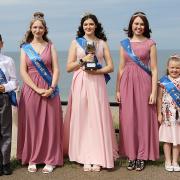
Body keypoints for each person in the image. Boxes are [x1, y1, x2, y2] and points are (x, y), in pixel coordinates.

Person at [63, 13, 119, 172]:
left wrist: (97, 72)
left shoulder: (102, 43)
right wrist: (83, 60)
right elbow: (68, 67)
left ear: (96, 26)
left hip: (97, 82)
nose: (88, 27)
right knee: (82, 118)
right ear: (82, 26)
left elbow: (111, 67)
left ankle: (98, 156)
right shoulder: (75, 43)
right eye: (85, 24)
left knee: (96, 117)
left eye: (91, 24)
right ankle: (84, 156)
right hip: (80, 81)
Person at [17, 12, 63, 173]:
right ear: (30, 29)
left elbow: (56, 69)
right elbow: (23, 71)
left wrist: (51, 87)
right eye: (35, 27)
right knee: (32, 124)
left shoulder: (51, 47)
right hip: (31, 89)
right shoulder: (25, 48)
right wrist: (36, 89)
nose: (37, 30)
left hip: (49, 89)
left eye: (40, 27)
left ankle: (50, 159)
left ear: (45, 29)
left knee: (50, 124)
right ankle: (33, 158)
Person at [116, 11, 159, 171]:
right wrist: (117, 90)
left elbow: (154, 69)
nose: (139, 26)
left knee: (143, 119)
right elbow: (120, 68)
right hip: (126, 84)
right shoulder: (124, 43)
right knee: (128, 120)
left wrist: (154, 92)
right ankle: (131, 155)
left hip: (144, 83)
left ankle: (141, 155)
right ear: (131, 25)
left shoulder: (150, 43)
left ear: (145, 26)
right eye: (136, 23)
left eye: (142, 24)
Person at [157, 55, 180, 172]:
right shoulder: (163, 81)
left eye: (177, 68)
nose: (174, 70)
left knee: (177, 140)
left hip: (178, 117)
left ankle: (175, 161)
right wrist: (159, 114)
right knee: (167, 139)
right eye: (172, 67)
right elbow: (159, 98)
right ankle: (167, 160)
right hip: (166, 115)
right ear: (167, 67)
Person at [0, 34, 18, 175]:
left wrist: (5, 87)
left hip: (3, 99)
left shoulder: (8, 61)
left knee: (5, 131)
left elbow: (14, 82)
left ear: (1, 43)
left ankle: (5, 163)